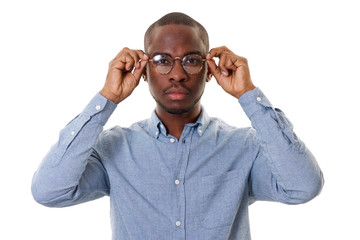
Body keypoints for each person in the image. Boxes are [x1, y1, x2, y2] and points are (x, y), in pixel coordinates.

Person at [31, 12, 324, 240]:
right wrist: (107, 98)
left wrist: (248, 95)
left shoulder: (245, 146)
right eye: (162, 61)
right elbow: (49, 191)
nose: (177, 74)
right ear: (143, 71)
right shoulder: (112, 148)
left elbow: (303, 187)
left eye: (192, 60)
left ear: (210, 71)